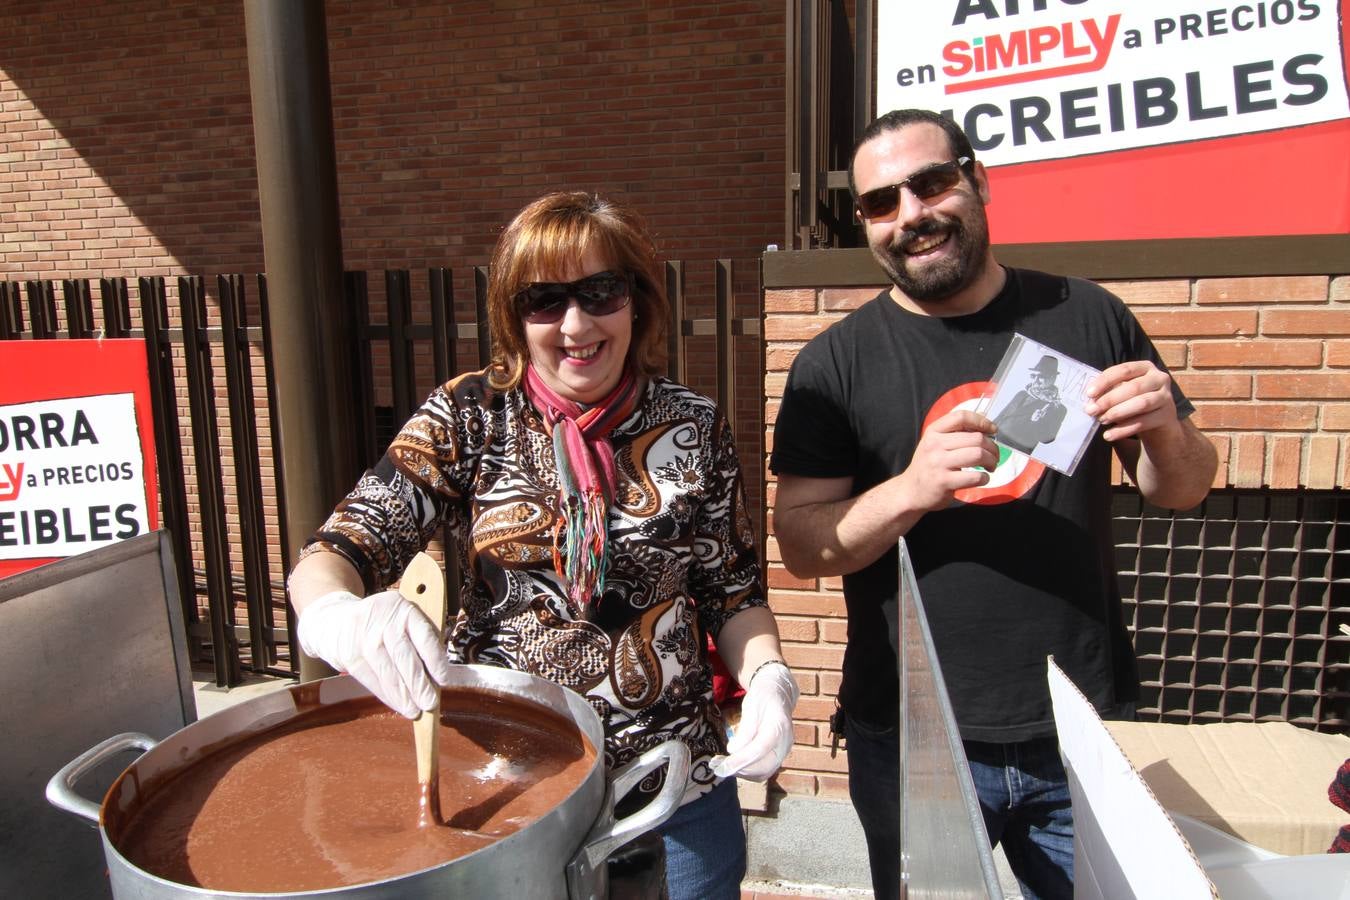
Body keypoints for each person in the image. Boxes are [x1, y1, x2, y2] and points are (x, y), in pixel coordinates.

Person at [288, 191, 798, 900]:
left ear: (637, 302)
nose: (576, 323)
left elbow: (732, 592)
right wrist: (332, 613)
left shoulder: (695, 425)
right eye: (544, 300)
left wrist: (771, 678)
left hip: (673, 787)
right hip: (507, 784)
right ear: (512, 317)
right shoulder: (470, 415)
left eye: (600, 291)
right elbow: (340, 547)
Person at [770, 109, 1217, 900]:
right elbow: (803, 547)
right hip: (915, 740)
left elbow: (1180, 489)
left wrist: (1165, 435)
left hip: (1070, 724)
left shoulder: (1087, 316)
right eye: (882, 202)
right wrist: (912, 488)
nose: (912, 214)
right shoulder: (832, 363)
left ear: (977, 181)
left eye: (932, 183)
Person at [993, 354, 1067, 455]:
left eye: (1041, 376)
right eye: (1033, 376)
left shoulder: (1057, 407)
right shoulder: (1021, 394)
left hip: (1015, 452)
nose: (1035, 381)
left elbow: (1046, 439)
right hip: (995, 440)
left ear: (1052, 378)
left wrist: (1037, 421)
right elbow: (1001, 416)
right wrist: (986, 433)